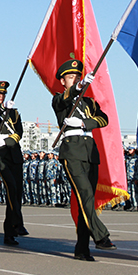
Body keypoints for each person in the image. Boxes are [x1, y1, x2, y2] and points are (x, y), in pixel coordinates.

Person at [51, 59, 115, 261]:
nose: (75, 79)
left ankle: (82, 249)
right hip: (72, 151)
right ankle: (101, 236)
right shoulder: (59, 99)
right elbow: (63, 100)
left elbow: (103, 119)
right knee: (85, 193)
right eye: (71, 77)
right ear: (63, 81)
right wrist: (78, 87)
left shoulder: (89, 103)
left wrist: (83, 123)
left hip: (89, 151)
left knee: (85, 201)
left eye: (78, 76)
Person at [0, 80, 27, 245]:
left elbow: (19, 132)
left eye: (3, 94)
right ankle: (18, 224)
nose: (1, 96)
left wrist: (8, 140)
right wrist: (2, 108)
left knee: (17, 192)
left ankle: (10, 231)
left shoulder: (13, 113)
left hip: (14, 152)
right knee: (11, 187)